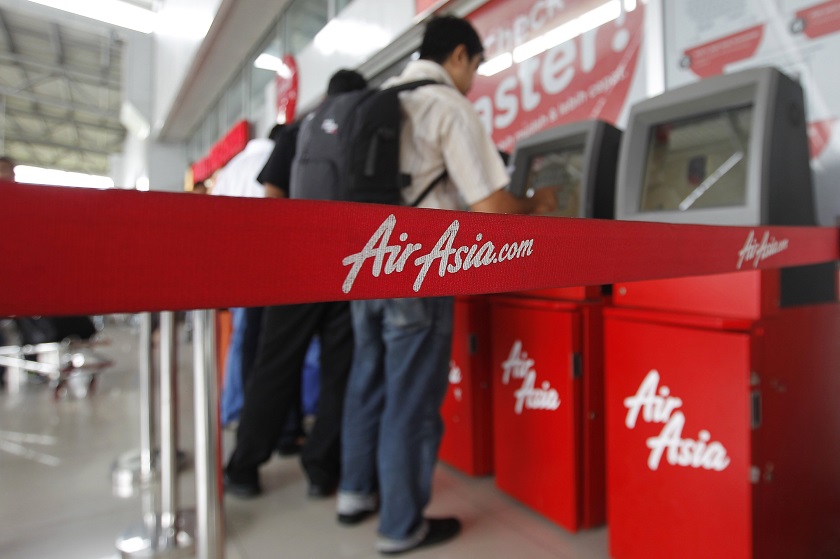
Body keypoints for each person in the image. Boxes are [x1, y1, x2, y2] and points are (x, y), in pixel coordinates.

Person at [335, 16, 556, 556]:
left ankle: (354, 494)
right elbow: (493, 207)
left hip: (366, 265)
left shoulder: (383, 98)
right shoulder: (448, 106)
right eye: (476, 66)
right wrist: (540, 203)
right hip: (418, 272)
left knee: (368, 381)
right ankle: (401, 526)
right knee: (411, 398)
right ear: (458, 56)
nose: (474, 79)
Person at [223, 69, 369, 499]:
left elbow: (273, 198)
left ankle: (244, 467)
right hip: (348, 266)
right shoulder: (364, 126)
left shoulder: (297, 130)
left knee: (274, 367)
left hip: (298, 268)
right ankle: (321, 471)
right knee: (338, 371)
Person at [212, 125, 282, 427]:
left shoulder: (231, 167)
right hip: (266, 261)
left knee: (241, 338)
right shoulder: (273, 159)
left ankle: (233, 407)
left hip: (233, 262)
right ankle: (253, 412)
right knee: (264, 342)